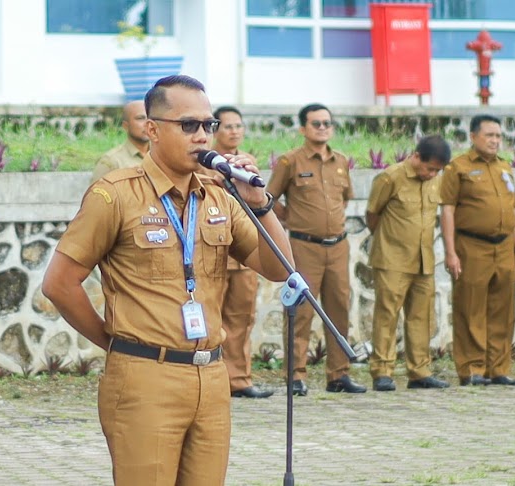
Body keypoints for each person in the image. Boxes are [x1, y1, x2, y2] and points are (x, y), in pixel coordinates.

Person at [42, 75, 293, 485]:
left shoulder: (218, 197)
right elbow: (59, 284)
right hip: (145, 377)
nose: (202, 136)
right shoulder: (115, 194)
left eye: (209, 125)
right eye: (189, 125)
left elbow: (281, 268)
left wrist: (260, 204)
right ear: (153, 130)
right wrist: (114, 342)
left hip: (211, 376)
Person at [266, 103, 366, 396]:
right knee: (301, 312)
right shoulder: (290, 162)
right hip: (303, 247)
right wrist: (294, 220)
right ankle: (295, 375)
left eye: (326, 123)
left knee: (338, 310)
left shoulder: (341, 161)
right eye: (316, 124)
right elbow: (270, 199)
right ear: (303, 129)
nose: (322, 128)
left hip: (337, 246)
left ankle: (338, 374)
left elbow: (344, 199)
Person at [440, 114, 515, 387]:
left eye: (498, 136)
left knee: (503, 310)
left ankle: (498, 368)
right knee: (470, 308)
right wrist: (451, 252)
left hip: (503, 247)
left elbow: (513, 211)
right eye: (489, 135)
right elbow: (448, 210)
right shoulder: (458, 167)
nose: (495, 141)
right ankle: (472, 369)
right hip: (472, 245)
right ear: (473, 136)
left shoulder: (505, 168)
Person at [366, 135, 452, 391]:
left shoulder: (436, 180)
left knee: (421, 317)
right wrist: (388, 241)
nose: (432, 174)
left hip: (424, 260)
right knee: (387, 315)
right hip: (392, 259)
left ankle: (420, 371)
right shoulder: (390, 177)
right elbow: (372, 215)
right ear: (416, 157)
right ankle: (382, 371)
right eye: (429, 168)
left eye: (437, 170)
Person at [204, 105, 272, 398]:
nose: (233, 131)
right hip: (215, 249)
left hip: (243, 254)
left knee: (243, 318)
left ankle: (240, 379)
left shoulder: (246, 163)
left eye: (238, 126)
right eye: (227, 126)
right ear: (215, 130)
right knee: (211, 319)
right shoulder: (203, 161)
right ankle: (214, 378)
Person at [91, 100, 149, 183]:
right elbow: (97, 194)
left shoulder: (160, 156)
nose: (147, 123)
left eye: (150, 118)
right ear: (125, 125)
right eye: (140, 118)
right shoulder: (111, 162)